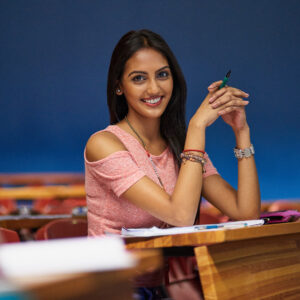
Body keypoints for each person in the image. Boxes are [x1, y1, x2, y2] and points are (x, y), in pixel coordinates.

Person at [84, 29, 260, 299]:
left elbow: (246, 214)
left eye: (162, 75)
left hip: (162, 288)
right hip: (112, 287)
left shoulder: (181, 145)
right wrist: (197, 126)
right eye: (139, 78)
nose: (154, 88)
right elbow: (180, 215)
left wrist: (242, 132)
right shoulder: (104, 143)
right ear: (119, 86)